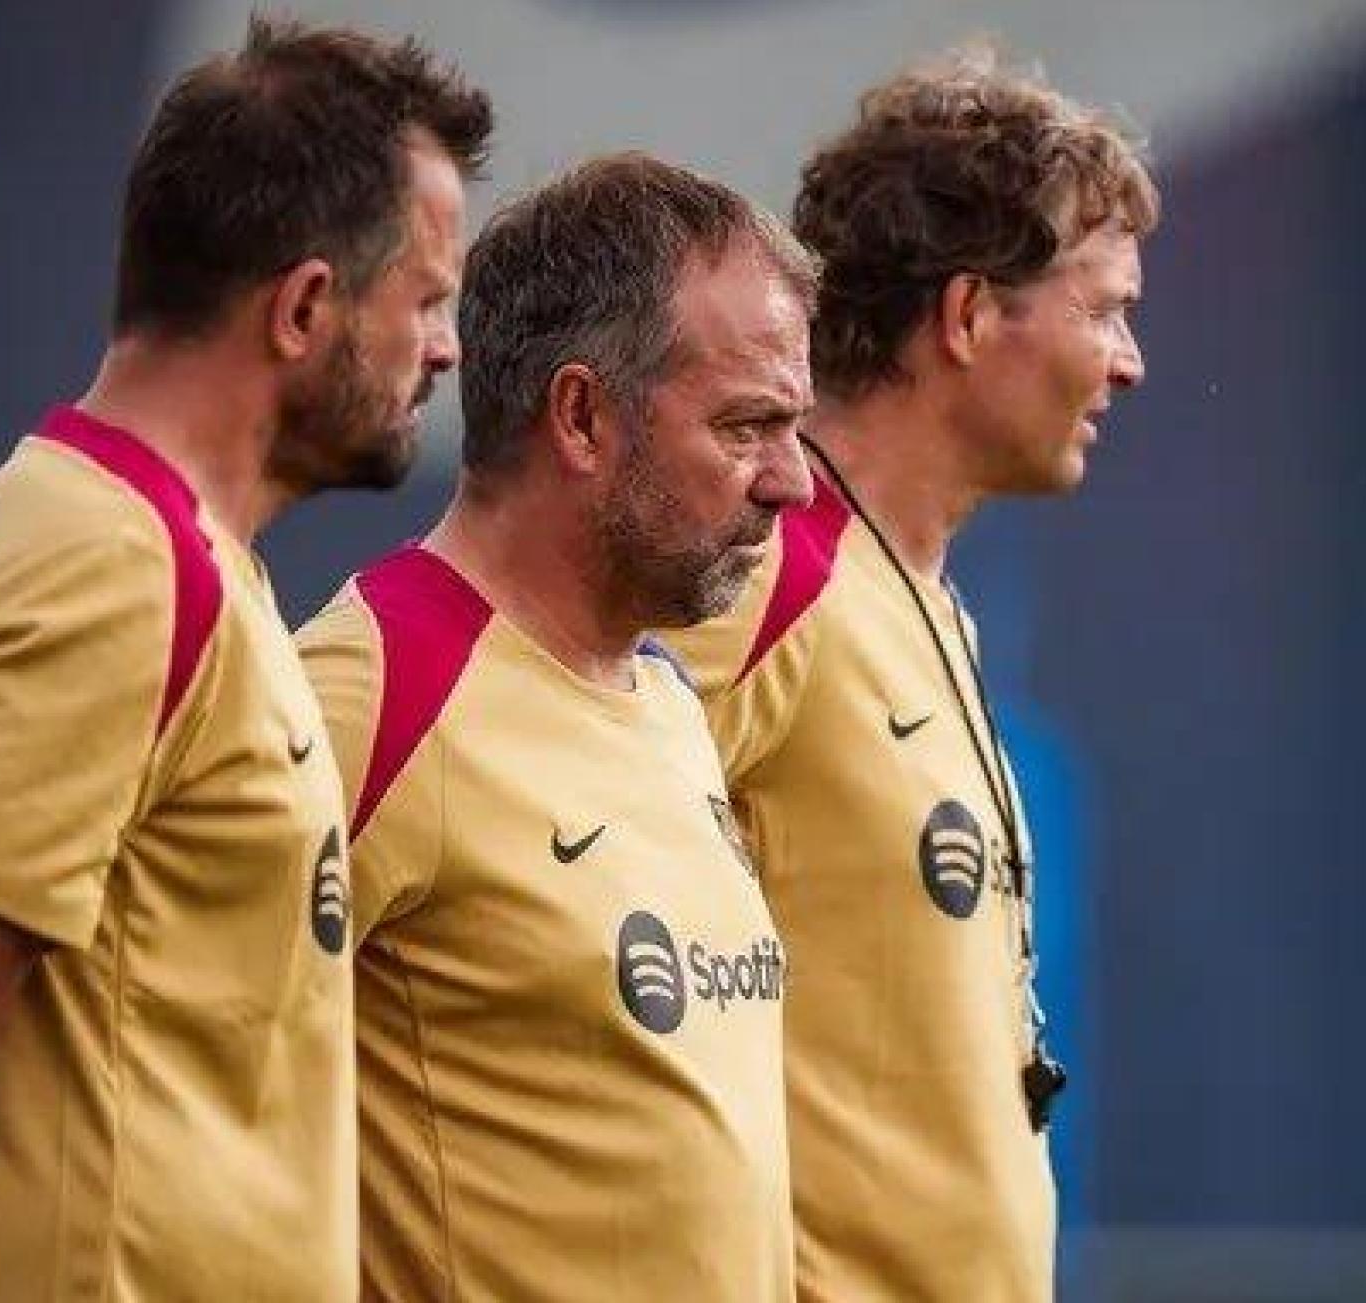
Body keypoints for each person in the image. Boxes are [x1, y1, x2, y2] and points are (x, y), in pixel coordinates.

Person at [0, 18, 490, 1301]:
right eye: (428, 301)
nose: (444, 348)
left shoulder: (174, 561)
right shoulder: (106, 569)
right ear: (306, 307)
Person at [662, 54, 1160, 1302]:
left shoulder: (913, 596)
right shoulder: (768, 572)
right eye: (1101, 309)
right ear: (968, 317)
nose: (1129, 361)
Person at [296, 153, 815, 1302]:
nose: (794, 485)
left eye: (795, 429)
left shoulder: (672, 698)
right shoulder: (370, 684)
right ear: (580, 415)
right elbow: (163, 1087)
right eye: (748, 427)